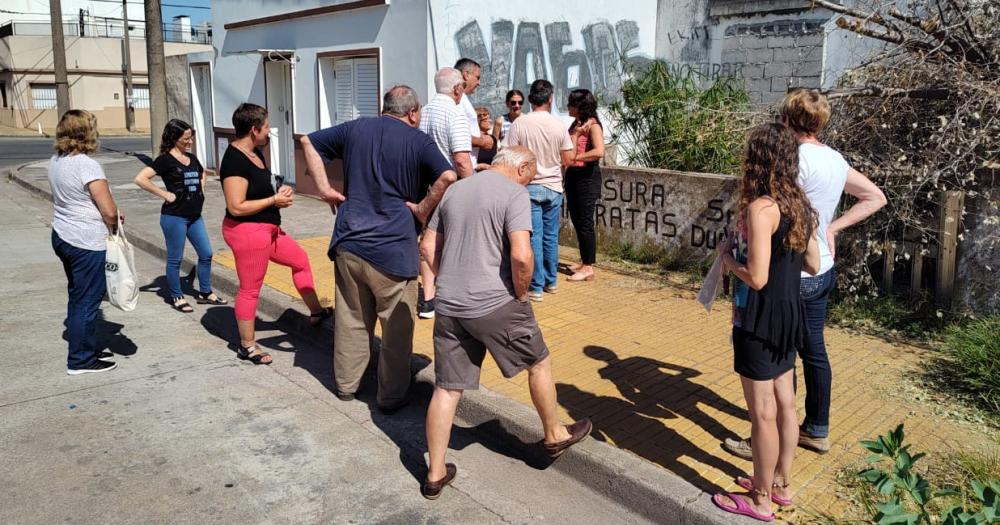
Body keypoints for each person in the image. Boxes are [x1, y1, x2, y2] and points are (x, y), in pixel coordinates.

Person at [419, 146, 592, 500]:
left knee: (447, 388)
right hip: (496, 302)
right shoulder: (514, 193)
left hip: (450, 306)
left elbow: (426, 246)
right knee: (538, 361)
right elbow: (521, 255)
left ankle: (435, 473)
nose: (529, 182)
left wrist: (444, 282)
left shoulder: (456, 189)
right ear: (523, 167)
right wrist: (522, 293)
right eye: (529, 176)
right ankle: (554, 433)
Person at [722, 90, 887, 460]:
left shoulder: (791, 160)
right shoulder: (835, 159)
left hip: (787, 275)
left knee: (778, 361)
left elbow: (770, 211)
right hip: (821, 267)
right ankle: (816, 430)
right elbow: (875, 196)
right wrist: (833, 229)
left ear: (786, 118)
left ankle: (769, 438)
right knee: (813, 350)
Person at [300, 86, 457, 413]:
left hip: (349, 243)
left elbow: (307, 141)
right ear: (413, 112)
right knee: (396, 330)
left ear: (385, 108)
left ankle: (346, 386)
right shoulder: (419, 141)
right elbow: (447, 175)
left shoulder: (355, 128)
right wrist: (423, 209)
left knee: (352, 319)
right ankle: (391, 396)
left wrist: (325, 190)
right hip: (392, 250)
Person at [712, 122, 820, 522]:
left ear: (757, 160)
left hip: (758, 318)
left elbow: (756, 277)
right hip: (790, 312)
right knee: (785, 404)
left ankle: (759, 499)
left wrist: (728, 262)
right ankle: (781, 484)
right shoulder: (800, 204)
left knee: (762, 414)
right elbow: (812, 263)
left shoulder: (761, 208)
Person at [219, 103, 331, 366]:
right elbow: (236, 206)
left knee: (300, 260)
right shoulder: (234, 161)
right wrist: (273, 201)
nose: (270, 131)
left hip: (269, 230)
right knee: (250, 290)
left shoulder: (256, 152)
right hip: (248, 233)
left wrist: (279, 196)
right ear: (253, 129)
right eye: (266, 127)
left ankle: (316, 312)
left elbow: (261, 191)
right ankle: (247, 346)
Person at [49, 110, 121, 375]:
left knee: (77, 296)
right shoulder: (87, 165)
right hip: (85, 241)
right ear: (86, 133)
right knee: (88, 301)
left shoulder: (57, 160)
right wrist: (113, 219)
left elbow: (75, 198)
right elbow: (109, 211)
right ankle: (80, 360)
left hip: (63, 233)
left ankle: (84, 346)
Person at [502, 79, 584, 301]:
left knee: (534, 237)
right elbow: (568, 159)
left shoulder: (520, 123)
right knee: (550, 237)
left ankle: (536, 286)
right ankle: (551, 281)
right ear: (550, 99)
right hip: (554, 187)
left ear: (529, 100)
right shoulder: (559, 125)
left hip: (529, 187)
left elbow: (507, 154)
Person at [134, 119, 226, 312]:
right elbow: (140, 179)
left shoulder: (191, 158)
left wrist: (200, 191)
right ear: (174, 138)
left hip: (194, 216)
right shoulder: (165, 160)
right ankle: (177, 296)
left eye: (191, 138)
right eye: (186, 138)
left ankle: (205, 292)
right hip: (174, 217)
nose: (190, 142)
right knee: (176, 258)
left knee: (206, 254)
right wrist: (165, 194)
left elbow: (203, 174)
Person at [417, 67, 474, 320]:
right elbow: (461, 159)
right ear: (457, 88)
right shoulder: (455, 113)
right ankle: (453, 295)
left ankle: (428, 300)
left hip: (425, 187)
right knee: (452, 243)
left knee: (427, 242)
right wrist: (473, 190)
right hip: (450, 188)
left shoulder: (423, 111)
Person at [564, 89, 605, 283]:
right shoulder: (577, 124)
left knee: (585, 222)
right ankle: (583, 260)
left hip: (586, 177)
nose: (568, 107)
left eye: (571, 103)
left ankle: (588, 267)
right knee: (578, 220)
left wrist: (576, 157)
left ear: (580, 106)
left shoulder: (593, 125)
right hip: (573, 175)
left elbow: (599, 151)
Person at [454, 58, 496, 166]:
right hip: (463, 168)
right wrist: (483, 142)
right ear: (466, 75)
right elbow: (456, 135)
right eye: (477, 78)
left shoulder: (462, 98)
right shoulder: (458, 100)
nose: (479, 83)